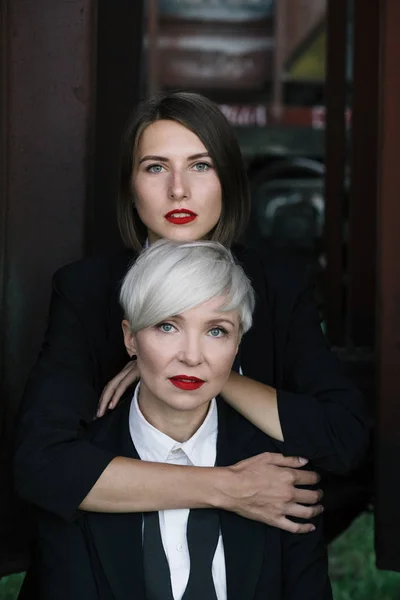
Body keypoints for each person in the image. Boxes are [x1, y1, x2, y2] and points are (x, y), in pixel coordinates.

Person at [14, 91, 367, 541]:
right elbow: (41, 465)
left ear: (229, 182)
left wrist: (209, 372)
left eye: (200, 165)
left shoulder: (277, 286)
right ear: (131, 187)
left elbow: (344, 441)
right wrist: (228, 489)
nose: (178, 189)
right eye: (155, 167)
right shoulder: (85, 289)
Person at [36, 239, 332, 600]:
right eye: (167, 326)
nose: (192, 356)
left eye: (216, 330)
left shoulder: (280, 474)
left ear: (238, 344)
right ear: (130, 338)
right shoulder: (72, 478)